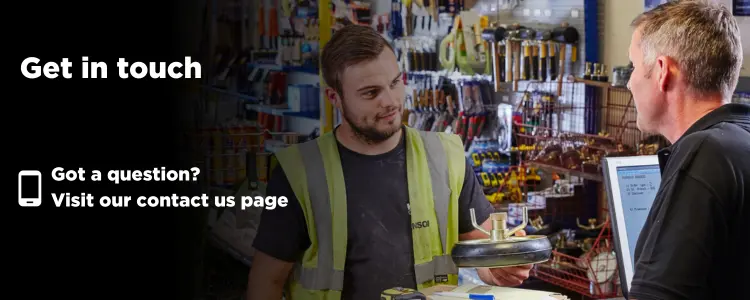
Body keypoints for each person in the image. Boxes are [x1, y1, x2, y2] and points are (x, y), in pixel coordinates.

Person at [246, 24, 534, 300]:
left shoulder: (445, 156)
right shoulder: (299, 173)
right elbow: (267, 281)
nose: (391, 101)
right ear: (335, 97)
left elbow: (480, 248)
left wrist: (497, 269)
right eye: (371, 93)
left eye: (395, 83)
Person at [626, 1, 749, 299]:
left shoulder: (705, 154)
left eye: (633, 66)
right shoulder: (740, 140)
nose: (629, 82)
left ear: (662, 72)